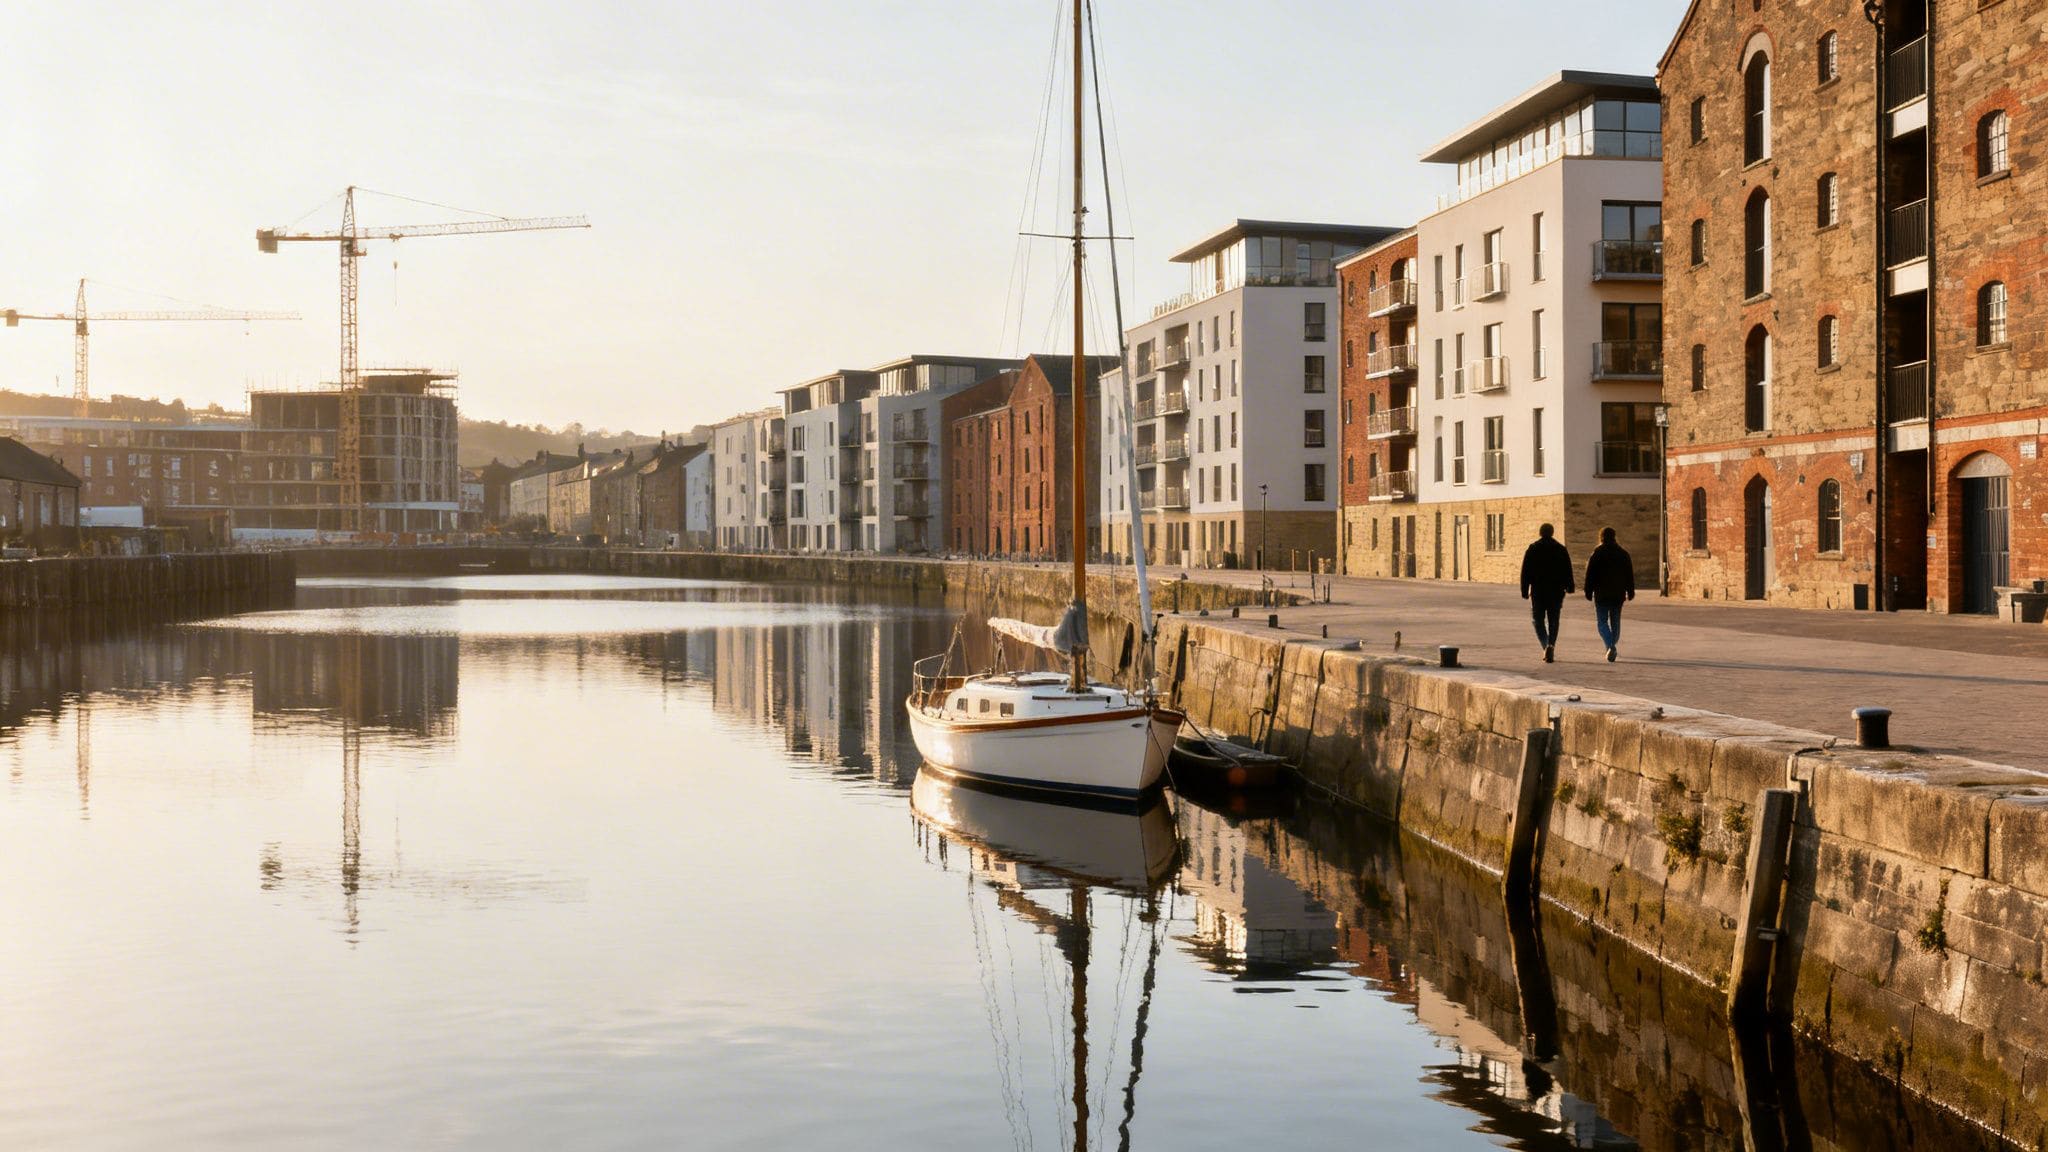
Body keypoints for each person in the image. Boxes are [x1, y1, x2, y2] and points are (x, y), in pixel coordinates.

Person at [1519, 522, 1573, 663]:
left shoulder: (1533, 548)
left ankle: (1545, 645)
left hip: (1538, 591)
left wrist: (1525, 590)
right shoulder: (1560, 549)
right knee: (1554, 620)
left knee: (1537, 620)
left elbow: (1525, 572)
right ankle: (1551, 645)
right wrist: (1570, 586)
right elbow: (1567, 570)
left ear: (1540, 533)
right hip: (1556, 591)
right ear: (1552, 532)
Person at [1584, 526, 1637, 662]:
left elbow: (1590, 574)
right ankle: (1611, 645)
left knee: (1602, 623)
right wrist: (1630, 591)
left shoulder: (1597, 553)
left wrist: (1588, 591)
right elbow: (1629, 575)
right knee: (1615, 622)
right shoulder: (1623, 554)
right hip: (1618, 594)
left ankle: (1610, 646)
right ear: (1614, 537)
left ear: (1601, 537)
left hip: (1601, 593)